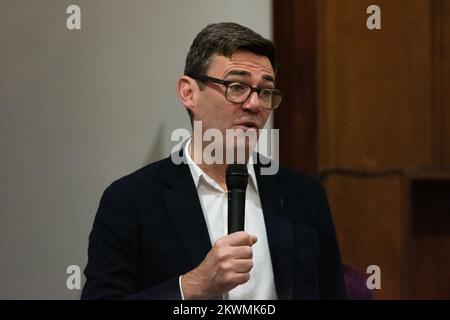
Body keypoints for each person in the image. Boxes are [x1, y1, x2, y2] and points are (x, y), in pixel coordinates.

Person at [81, 22, 346, 300]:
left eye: (265, 92)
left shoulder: (304, 196)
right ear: (189, 92)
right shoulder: (130, 200)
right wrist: (193, 286)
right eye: (237, 86)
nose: (254, 104)